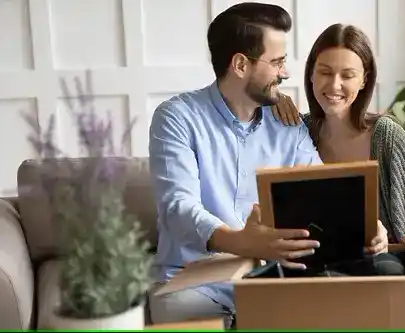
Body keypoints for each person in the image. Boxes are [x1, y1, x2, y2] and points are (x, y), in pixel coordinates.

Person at [146, 3, 391, 328]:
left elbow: (324, 190)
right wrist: (239, 241)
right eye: (277, 62)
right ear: (240, 64)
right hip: (192, 278)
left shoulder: (287, 124)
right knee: (182, 312)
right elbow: (177, 206)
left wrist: (367, 228)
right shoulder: (176, 118)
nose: (286, 73)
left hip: (269, 276)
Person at [271, 23, 405, 331]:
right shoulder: (297, 133)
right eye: (325, 72)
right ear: (311, 75)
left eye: (348, 75)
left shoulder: (386, 135)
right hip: (319, 264)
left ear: (364, 79)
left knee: (396, 299)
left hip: (383, 263)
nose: (335, 84)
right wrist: (275, 97)